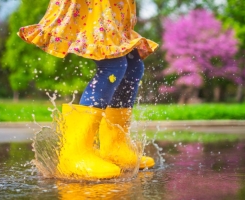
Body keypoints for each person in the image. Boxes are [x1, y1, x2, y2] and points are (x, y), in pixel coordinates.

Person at [18, 0, 158, 179]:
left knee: (132, 63)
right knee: (112, 65)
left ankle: (115, 147)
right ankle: (75, 154)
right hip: (95, 6)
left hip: (114, 7)